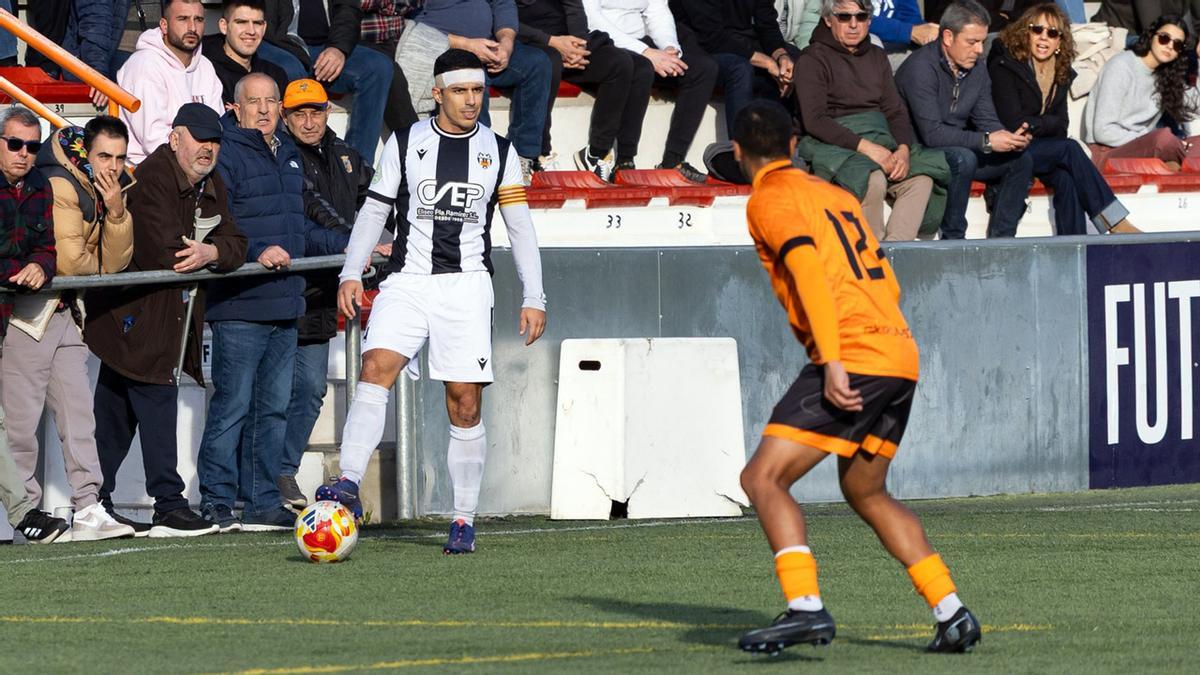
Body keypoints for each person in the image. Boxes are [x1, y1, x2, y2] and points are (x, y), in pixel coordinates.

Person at [730, 100, 982, 655]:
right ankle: (951, 611)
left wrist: (832, 360)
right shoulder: (836, 195)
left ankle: (804, 608)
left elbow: (807, 272)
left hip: (853, 353)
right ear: (794, 146)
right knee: (865, 490)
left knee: (763, 479)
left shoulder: (769, 198)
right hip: (898, 350)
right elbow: (886, 280)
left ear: (739, 152)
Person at [318, 49, 547, 555]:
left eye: (478, 90)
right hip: (408, 280)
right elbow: (374, 210)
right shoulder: (405, 142)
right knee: (375, 367)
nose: (471, 100)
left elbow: (520, 227)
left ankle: (463, 517)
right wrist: (351, 271)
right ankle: (349, 482)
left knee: (464, 403)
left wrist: (535, 295)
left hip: (466, 287)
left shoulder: (500, 151)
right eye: (460, 91)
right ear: (438, 93)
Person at [197, 73, 351, 533]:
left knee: (273, 409)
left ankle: (263, 500)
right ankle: (216, 500)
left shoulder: (287, 153)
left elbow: (301, 230)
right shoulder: (225, 156)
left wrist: (353, 246)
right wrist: (256, 251)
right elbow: (215, 224)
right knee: (232, 407)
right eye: (254, 102)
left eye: (270, 102)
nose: (264, 110)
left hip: (287, 302)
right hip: (240, 304)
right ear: (235, 108)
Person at [84, 103, 247, 538]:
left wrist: (212, 251)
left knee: (116, 416)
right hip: (133, 317)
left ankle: (94, 501)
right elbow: (165, 252)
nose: (208, 148)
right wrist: (207, 252)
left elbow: (236, 241)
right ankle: (169, 504)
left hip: (156, 317)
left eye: (215, 141)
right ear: (175, 139)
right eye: (200, 139)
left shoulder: (211, 180)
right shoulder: (153, 177)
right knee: (153, 402)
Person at [2, 118, 139, 544]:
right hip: (25, 316)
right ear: (84, 154)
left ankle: (88, 506)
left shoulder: (64, 187)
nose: (112, 166)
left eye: (119, 158)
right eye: (104, 156)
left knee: (80, 419)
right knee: (20, 426)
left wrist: (116, 213)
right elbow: (71, 262)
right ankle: (22, 515)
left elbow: (108, 264)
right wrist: (46, 266)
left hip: (65, 312)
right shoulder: (57, 183)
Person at [279, 78, 388, 509]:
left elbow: (381, 198)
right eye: (299, 114)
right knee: (268, 394)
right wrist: (355, 245)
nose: (309, 122)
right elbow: (312, 211)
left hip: (322, 291)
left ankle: (281, 471)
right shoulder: (281, 154)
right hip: (283, 288)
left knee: (309, 390)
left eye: (316, 112)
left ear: (328, 112)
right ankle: (255, 481)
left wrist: (399, 239)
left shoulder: (346, 156)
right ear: (285, 117)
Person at [794, 0, 946, 241]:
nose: (853, 24)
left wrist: (903, 150)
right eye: (844, 17)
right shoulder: (812, 59)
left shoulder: (877, 56)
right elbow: (815, 120)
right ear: (828, 20)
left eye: (861, 17)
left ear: (869, 21)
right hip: (836, 144)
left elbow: (895, 111)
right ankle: (870, 252)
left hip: (880, 138)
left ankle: (897, 251)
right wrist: (867, 148)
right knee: (871, 179)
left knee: (921, 180)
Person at [988, 3, 1140, 234]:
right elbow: (1014, 123)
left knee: (1066, 177)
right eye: (1037, 30)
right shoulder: (1005, 65)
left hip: (1040, 148)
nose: (1043, 37)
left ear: (1059, 41)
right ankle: (1115, 222)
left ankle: (1074, 245)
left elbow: (1062, 126)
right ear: (1025, 33)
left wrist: (1037, 124)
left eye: (1052, 33)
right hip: (1008, 149)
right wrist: (1045, 123)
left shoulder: (1061, 71)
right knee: (1070, 149)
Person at [895, 0, 1034, 238]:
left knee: (1021, 160)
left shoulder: (976, 69)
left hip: (956, 147)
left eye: (982, 41)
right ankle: (954, 239)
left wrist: (1009, 139)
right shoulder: (920, 68)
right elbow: (932, 135)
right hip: (918, 151)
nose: (979, 50)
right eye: (972, 42)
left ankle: (1002, 241)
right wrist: (987, 141)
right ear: (948, 37)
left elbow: (986, 119)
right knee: (963, 159)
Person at [0, 106, 70, 544]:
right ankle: (24, 512)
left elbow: (47, 246)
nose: (24, 153)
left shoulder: (39, 184)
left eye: (32, 146)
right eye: (14, 144)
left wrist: (41, 267)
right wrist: (19, 271)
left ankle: (24, 513)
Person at [396, 0, 553, 182]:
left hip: (489, 45)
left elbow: (503, 3)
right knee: (471, 81)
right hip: (442, 46)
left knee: (538, 63)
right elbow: (409, 20)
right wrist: (465, 44)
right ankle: (477, 160)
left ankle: (521, 158)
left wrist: (506, 43)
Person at [582, 0, 720, 180]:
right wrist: (645, 52)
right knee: (641, 67)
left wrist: (669, 47)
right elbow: (592, 19)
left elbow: (658, 12)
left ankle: (673, 160)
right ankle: (625, 160)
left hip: (642, 43)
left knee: (704, 68)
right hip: (601, 43)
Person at [517, 0, 651, 181]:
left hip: (568, 42)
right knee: (547, 62)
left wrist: (578, 47)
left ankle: (600, 154)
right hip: (531, 42)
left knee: (627, 63)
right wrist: (552, 42)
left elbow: (574, 8)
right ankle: (539, 155)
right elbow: (504, 19)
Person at [257, 0, 395, 161]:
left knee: (378, 67)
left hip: (323, 45)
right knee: (291, 71)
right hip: (276, 41)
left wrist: (338, 48)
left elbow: (348, 8)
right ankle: (296, 163)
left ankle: (356, 165)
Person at [1083, 16, 1200, 169]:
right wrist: (1148, 138)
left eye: (1177, 44)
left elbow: (1197, 104)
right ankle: (1180, 163)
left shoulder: (1166, 75)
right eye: (1164, 38)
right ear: (1151, 36)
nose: (1170, 46)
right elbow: (1103, 131)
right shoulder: (1121, 66)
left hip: (1145, 147)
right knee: (1163, 138)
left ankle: (1178, 165)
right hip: (1106, 152)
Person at [116, 0, 224, 165]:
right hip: (148, 168)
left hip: (199, 165)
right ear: (164, 26)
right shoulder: (145, 65)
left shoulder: (205, 66)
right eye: (183, 19)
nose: (192, 28)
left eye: (198, 20)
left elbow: (218, 126)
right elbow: (153, 140)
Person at [670, 0, 797, 137]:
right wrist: (768, 63)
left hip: (739, 40)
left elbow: (767, 25)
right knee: (740, 69)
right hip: (696, 46)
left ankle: (790, 141)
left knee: (796, 61)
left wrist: (781, 56)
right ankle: (740, 146)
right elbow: (711, 36)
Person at [202, 0, 291, 106]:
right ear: (224, 26)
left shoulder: (275, 75)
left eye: (257, 23)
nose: (251, 31)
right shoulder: (206, 71)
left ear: (264, 28)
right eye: (241, 22)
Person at [359, 0, 423, 136]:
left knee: (450, 64)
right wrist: (396, 6)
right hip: (363, 42)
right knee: (390, 74)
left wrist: (386, 6)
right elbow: (358, 2)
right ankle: (413, 142)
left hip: (400, 38)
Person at [871, 0, 939, 68]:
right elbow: (865, 20)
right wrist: (909, 31)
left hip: (898, 41)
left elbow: (910, 15)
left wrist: (927, 32)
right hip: (872, 46)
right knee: (925, 64)